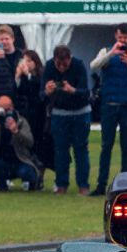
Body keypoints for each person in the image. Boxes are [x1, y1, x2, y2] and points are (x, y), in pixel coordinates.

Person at [90, 23, 127, 195]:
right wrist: (111, 54)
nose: (123, 41)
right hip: (109, 104)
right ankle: (101, 184)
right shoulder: (106, 50)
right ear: (116, 36)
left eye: (126, 38)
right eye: (120, 37)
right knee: (106, 146)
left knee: (126, 146)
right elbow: (93, 66)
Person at [43, 44, 91, 195]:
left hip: (80, 112)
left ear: (70, 59)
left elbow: (86, 92)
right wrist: (47, 91)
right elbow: (41, 94)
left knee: (80, 149)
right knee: (60, 151)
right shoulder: (49, 66)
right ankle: (61, 184)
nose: (62, 68)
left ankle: (83, 185)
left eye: (65, 65)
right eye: (59, 64)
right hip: (59, 113)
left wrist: (73, 90)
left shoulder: (79, 65)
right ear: (54, 59)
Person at [0, 95, 40, 192]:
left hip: (20, 160)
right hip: (2, 161)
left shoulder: (21, 120)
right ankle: (2, 185)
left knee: (27, 172)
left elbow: (30, 142)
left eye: (8, 109)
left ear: (13, 107)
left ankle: (32, 184)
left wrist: (16, 132)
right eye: (3, 109)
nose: (5, 112)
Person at [16, 49, 49, 187]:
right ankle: (28, 177)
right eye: (24, 61)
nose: (27, 64)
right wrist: (19, 76)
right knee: (26, 146)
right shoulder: (23, 77)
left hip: (40, 116)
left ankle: (40, 176)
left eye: (29, 61)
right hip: (26, 115)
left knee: (40, 147)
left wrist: (28, 75)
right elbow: (19, 90)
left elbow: (38, 90)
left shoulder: (41, 76)